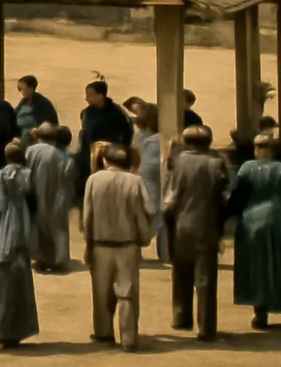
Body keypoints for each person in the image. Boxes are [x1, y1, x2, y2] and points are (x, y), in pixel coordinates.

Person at [82, 144, 153, 351]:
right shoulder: (135, 181)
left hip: (100, 245)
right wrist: (144, 236)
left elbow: (88, 215)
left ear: (106, 161)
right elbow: (146, 209)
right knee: (127, 292)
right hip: (128, 245)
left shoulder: (94, 180)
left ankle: (104, 333)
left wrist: (88, 243)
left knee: (101, 292)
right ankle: (129, 337)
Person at [163, 125, 229, 342]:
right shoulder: (215, 163)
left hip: (181, 224)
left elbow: (169, 200)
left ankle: (181, 316)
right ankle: (206, 328)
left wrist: (169, 225)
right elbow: (223, 198)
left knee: (181, 271)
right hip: (207, 225)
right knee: (205, 279)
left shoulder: (177, 162)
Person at [227, 132, 281, 329]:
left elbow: (237, 194)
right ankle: (270, 302)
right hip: (275, 218)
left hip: (250, 219)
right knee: (272, 263)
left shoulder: (246, 168)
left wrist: (227, 215)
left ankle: (258, 308)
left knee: (252, 265)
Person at [0, 139, 39, 349]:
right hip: (19, 243)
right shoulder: (24, 186)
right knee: (17, 287)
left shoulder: (2, 180)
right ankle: (15, 332)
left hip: (2, 246)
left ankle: (4, 334)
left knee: (2, 288)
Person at [25, 122, 75, 272]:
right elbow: (69, 178)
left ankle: (40, 259)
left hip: (34, 196)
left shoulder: (30, 151)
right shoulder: (64, 158)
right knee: (58, 229)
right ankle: (58, 261)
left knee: (37, 227)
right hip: (57, 199)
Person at [76, 78, 134, 203]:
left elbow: (127, 133)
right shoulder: (87, 112)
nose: (86, 99)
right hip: (87, 156)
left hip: (106, 158)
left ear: (101, 95)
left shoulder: (116, 113)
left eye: (90, 95)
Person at [132, 102, 166, 263]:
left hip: (145, 177)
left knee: (149, 211)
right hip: (147, 178)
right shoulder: (148, 136)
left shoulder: (151, 139)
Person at [15, 75, 58, 148]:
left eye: (22, 89)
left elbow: (49, 124)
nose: (21, 91)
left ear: (31, 89)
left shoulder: (42, 103)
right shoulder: (24, 101)